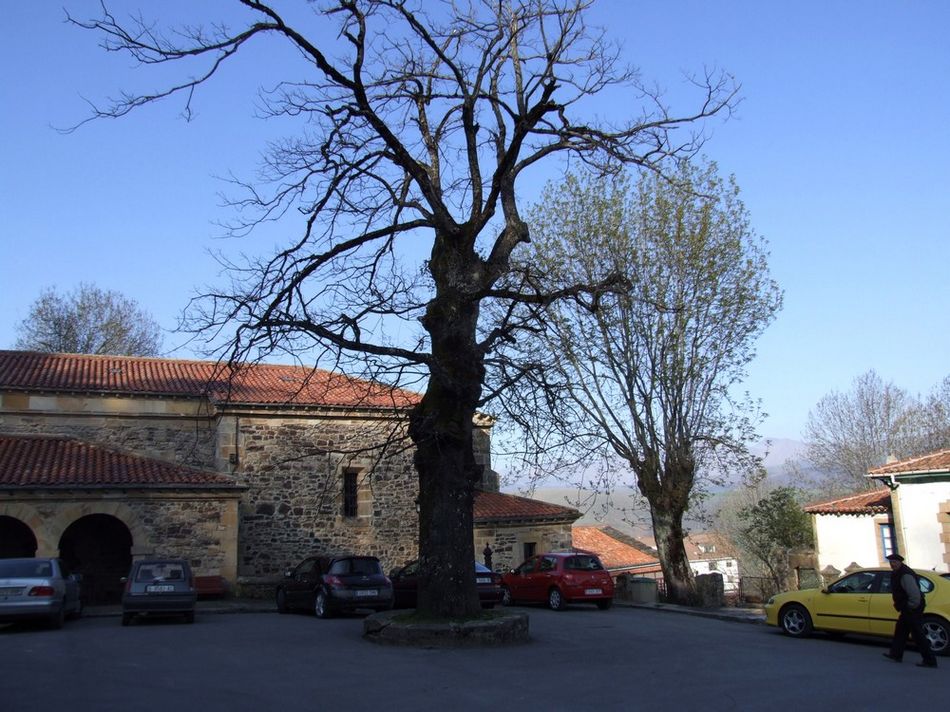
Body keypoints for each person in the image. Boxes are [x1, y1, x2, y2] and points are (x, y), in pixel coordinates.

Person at [882, 553, 938, 668]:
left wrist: (910, 606)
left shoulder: (905, 574)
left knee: (917, 634)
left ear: (900, 562)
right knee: (901, 630)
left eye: (894, 562)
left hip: (912, 608)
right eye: (891, 562)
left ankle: (929, 660)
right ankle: (896, 654)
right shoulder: (898, 573)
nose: (892, 564)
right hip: (907, 607)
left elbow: (914, 595)